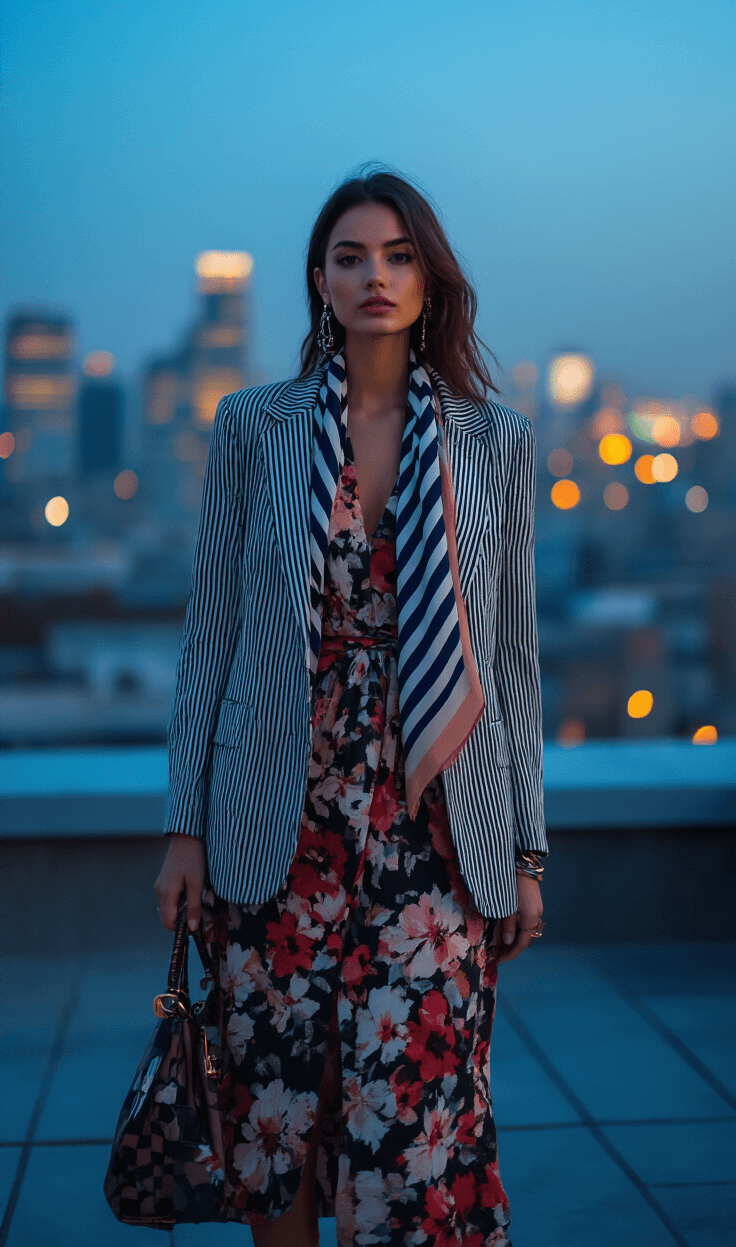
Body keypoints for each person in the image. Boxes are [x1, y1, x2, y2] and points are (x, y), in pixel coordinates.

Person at [155, 168, 546, 1247]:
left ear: (430, 277)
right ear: (318, 281)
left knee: (419, 1132)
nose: (374, 275)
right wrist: (183, 829)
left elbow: (511, 664)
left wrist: (526, 854)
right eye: (349, 257)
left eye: (398, 254)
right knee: (274, 1120)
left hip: (434, 837)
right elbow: (210, 639)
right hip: (274, 826)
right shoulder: (254, 428)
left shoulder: (494, 441)